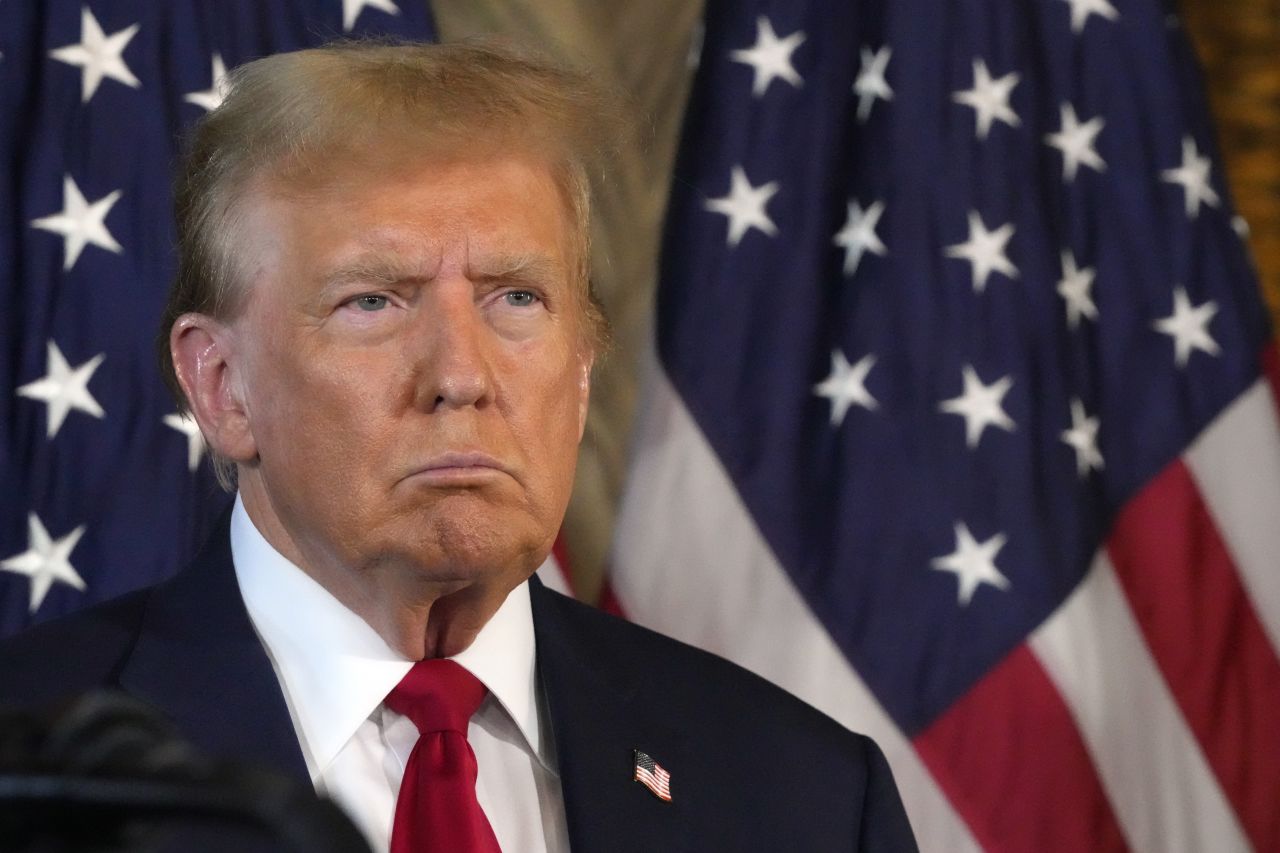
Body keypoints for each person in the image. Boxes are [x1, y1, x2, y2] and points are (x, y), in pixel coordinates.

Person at [0, 40, 918, 852]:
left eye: (516, 296)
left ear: (585, 363)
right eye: (374, 301)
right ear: (221, 386)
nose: (462, 375)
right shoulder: (34, 768)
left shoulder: (805, 794)